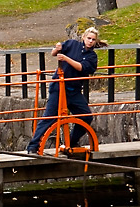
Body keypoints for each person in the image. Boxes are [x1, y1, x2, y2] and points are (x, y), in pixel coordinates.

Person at [26, 26, 100, 154]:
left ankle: (71, 141)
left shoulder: (92, 57)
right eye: (88, 38)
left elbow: (81, 67)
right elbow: (54, 53)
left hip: (74, 90)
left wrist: (66, 59)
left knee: (86, 117)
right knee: (49, 117)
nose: (90, 41)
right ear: (83, 38)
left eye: (93, 39)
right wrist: (57, 48)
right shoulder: (72, 44)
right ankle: (33, 146)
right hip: (59, 88)